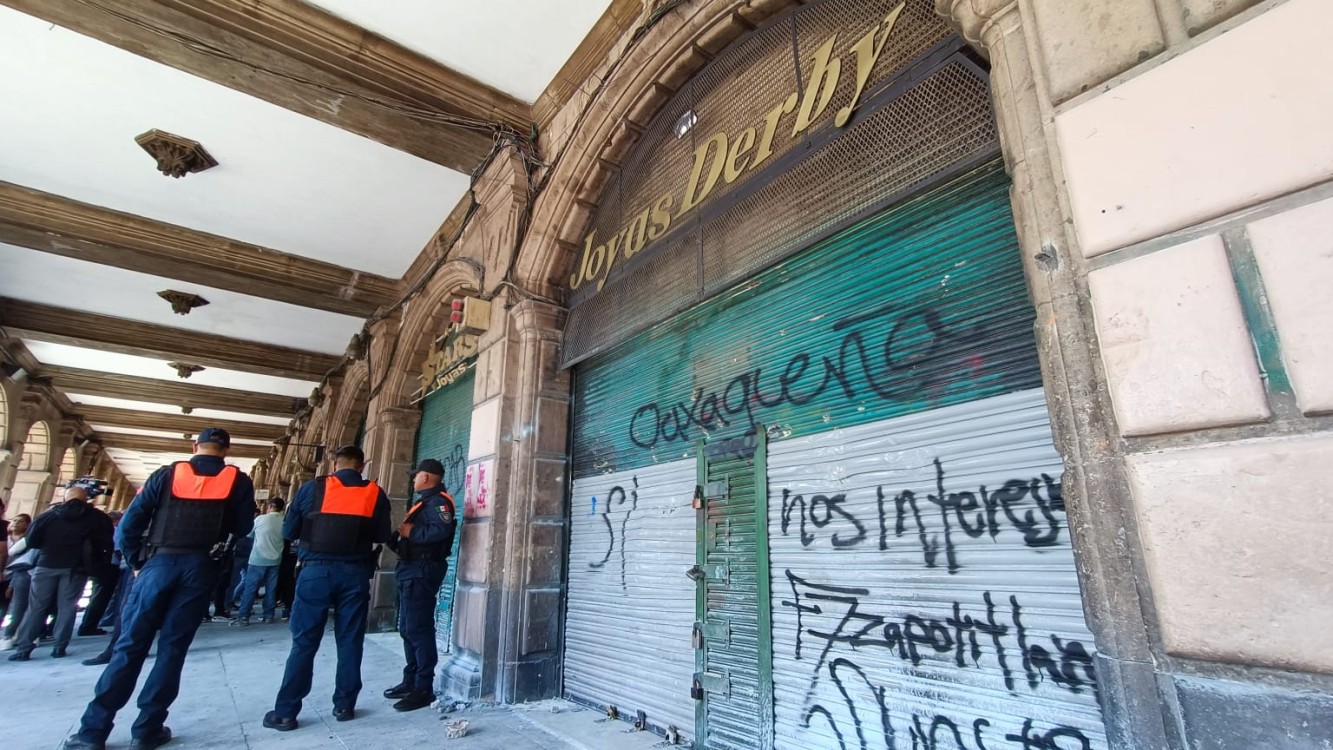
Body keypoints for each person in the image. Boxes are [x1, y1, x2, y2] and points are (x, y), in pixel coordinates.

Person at [63, 428, 255, 750]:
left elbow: (128, 526)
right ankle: (148, 729)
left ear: (195, 446)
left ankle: (92, 732)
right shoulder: (238, 480)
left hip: (158, 563)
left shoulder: (167, 475)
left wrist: (138, 562)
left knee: (129, 647)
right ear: (227, 449)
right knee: (172, 650)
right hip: (200, 567)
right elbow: (243, 526)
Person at [263, 446, 390, 732]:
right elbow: (382, 535)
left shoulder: (312, 489)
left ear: (335, 464)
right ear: (363, 465)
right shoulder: (374, 492)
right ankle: (344, 705)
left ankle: (286, 712)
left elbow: (288, 532)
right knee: (350, 640)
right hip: (355, 573)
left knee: (304, 642)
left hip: (315, 572)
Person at [382, 458, 458, 711]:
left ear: (425, 477)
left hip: (423, 570)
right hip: (411, 567)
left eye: (416, 476)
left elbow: (441, 531)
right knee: (407, 627)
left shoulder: (439, 502)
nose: (413, 480)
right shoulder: (424, 502)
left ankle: (423, 688)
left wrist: (409, 534)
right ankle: (411, 680)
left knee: (418, 628)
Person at [8, 486, 114, 661]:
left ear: (65, 498)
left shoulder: (48, 516)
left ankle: (24, 648)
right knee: (68, 607)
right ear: (86, 498)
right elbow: (106, 543)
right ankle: (59, 647)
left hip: (46, 565)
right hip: (76, 569)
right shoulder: (97, 518)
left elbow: (32, 540)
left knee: (36, 607)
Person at [233, 497, 285, 625]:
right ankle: (268, 615)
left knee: (250, 588)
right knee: (271, 589)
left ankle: (244, 616)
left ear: (271, 506)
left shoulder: (261, 519)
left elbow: (250, 535)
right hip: (276, 559)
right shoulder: (285, 521)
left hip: (258, 559)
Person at [79, 510, 124, 637]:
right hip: (110, 566)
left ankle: (89, 624)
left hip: (101, 566)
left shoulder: (101, 531)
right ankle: (88, 625)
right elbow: (118, 549)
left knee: (98, 595)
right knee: (101, 596)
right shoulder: (114, 530)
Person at [0, 514, 34, 649]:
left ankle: (9, 635)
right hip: (5, 574)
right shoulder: (6, 538)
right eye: (15, 520)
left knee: (15, 607)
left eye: (20, 521)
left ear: (27, 525)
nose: (16, 523)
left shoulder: (26, 541)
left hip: (17, 576)